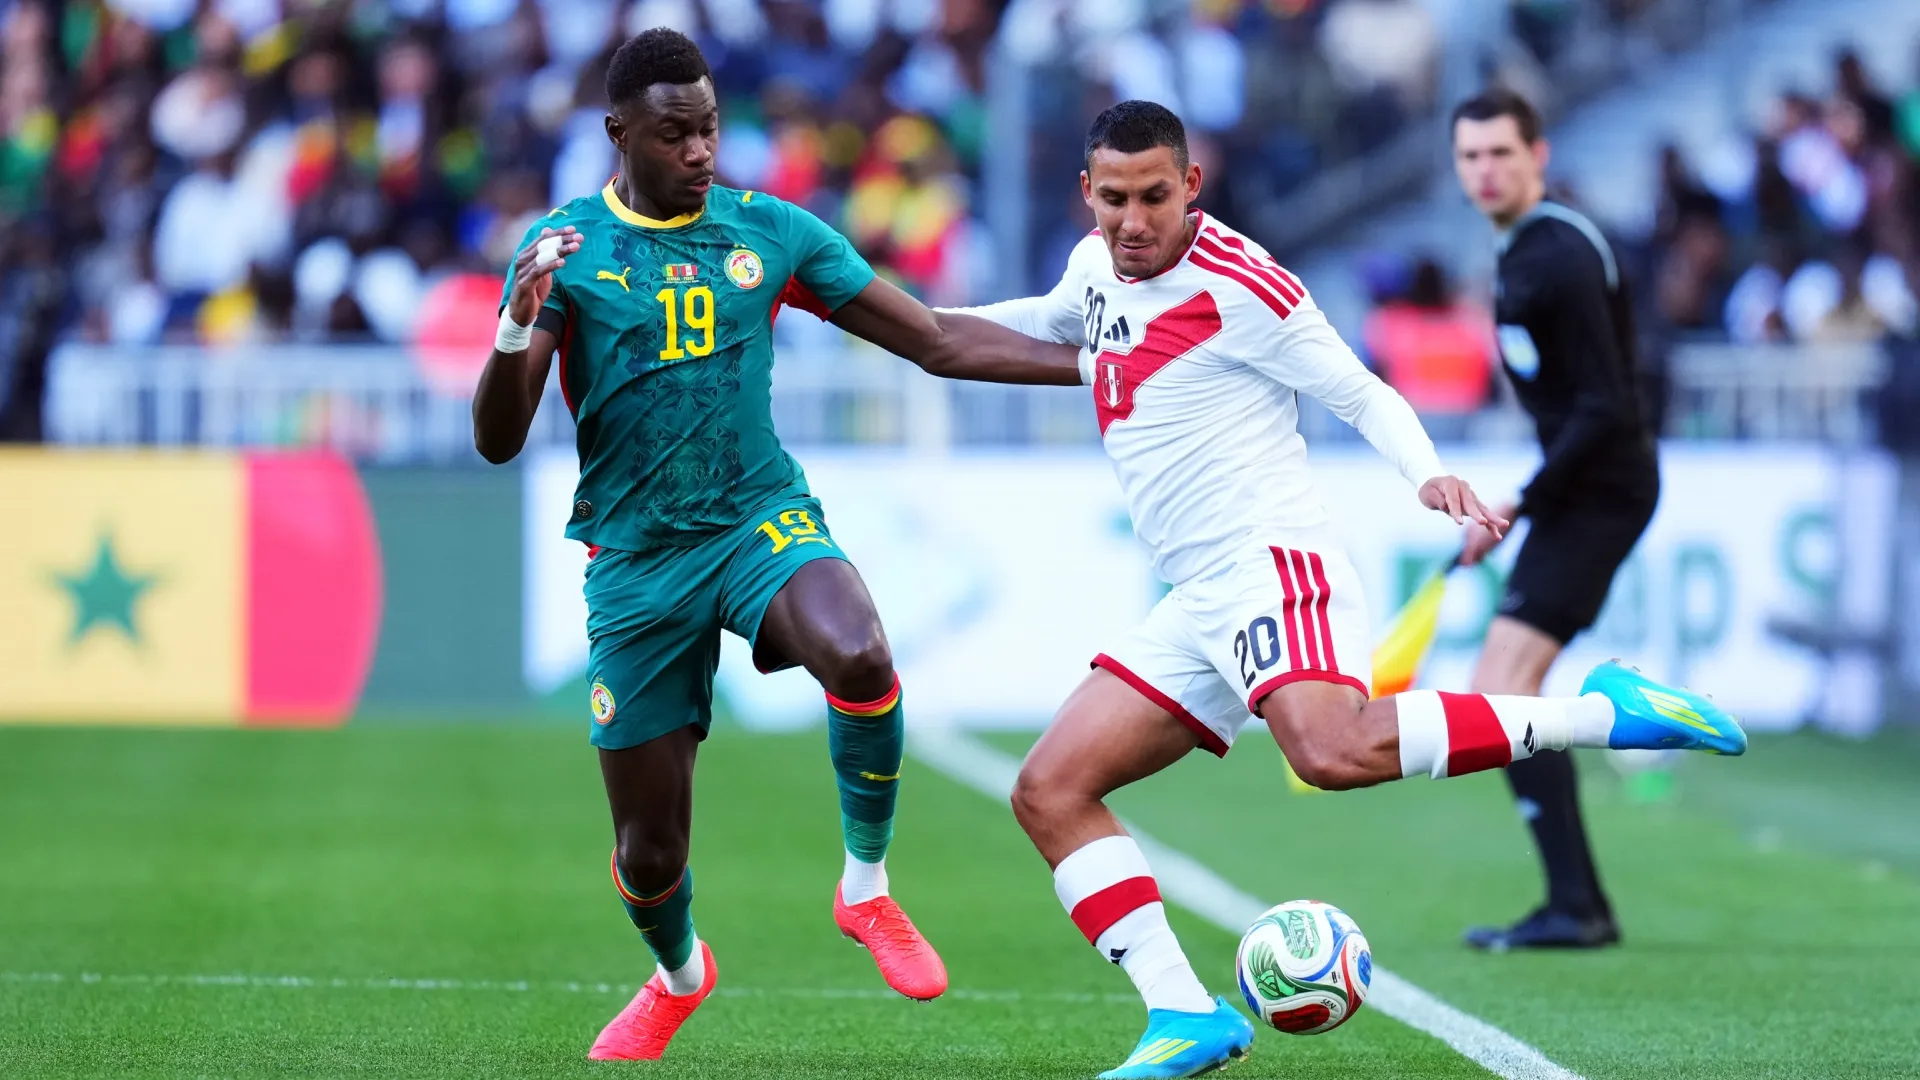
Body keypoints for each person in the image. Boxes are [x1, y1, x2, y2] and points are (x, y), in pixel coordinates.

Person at [948, 100, 1744, 1080]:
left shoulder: (1245, 283)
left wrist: (1428, 475)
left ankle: (1600, 713)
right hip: (1198, 595)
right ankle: (1184, 1018)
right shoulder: (1093, 267)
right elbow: (1021, 332)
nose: (1133, 219)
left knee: (1328, 750)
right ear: (1089, 194)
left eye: (1155, 195)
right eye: (1114, 199)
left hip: (1273, 562)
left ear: (1190, 186)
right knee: (1051, 788)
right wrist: (868, 309)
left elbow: (1359, 388)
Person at [471, 28, 1084, 1061]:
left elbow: (934, 338)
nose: (702, 151)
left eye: (709, 127)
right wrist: (513, 322)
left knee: (862, 651)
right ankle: (677, 974)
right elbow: (496, 440)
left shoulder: (772, 234)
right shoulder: (566, 254)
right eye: (676, 135)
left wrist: (1100, 372)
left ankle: (867, 889)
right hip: (636, 562)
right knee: (650, 848)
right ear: (621, 134)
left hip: (759, 518)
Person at [1449, 88, 1665, 951]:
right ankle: (1575, 901)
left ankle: (1578, 902)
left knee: (1503, 693)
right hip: (1579, 488)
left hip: (1602, 490)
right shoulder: (1520, 250)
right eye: (1470, 157)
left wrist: (1517, 501)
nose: (1485, 170)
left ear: (1538, 155)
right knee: (1498, 692)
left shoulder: (1558, 255)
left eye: (1501, 152)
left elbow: (1610, 407)